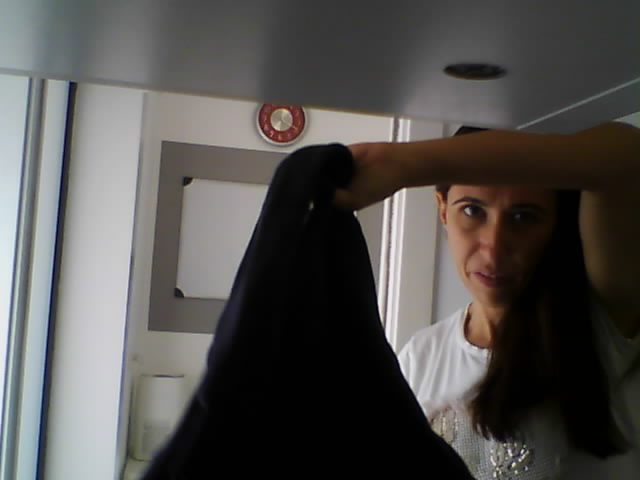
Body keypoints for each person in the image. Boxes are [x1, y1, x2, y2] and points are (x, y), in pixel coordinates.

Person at [334, 122, 640, 479]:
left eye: (523, 217)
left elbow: (627, 155)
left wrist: (403, 164)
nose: (493, 248)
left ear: (555, 224)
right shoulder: (422, 355)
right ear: (443, 210)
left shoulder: (600, 321)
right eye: (472, 211)